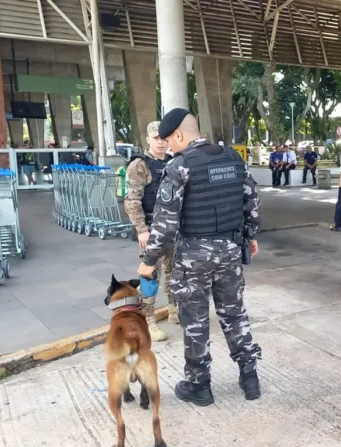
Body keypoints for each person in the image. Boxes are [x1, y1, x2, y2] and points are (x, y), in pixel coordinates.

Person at [137, 108, 263, 405]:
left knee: (194, 320)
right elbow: (253, 201)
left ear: (178, 135)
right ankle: (250, 376)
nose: (168, 147)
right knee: (234, 313)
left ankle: (199, 386)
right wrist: (250, 235)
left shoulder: (180, 166)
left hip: (193, 255)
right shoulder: (233, 158)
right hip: (230, 250)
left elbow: (165, 222)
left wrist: (149, 259)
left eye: (169, 141)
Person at [123, 121, 177, 342]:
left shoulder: (174, 163)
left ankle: (174, 310)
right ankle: (148, 319)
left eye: (164, 138)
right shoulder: (139, 166)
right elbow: (132, 200)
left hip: (174, 228)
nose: (161, 142)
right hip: (151, 229)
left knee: (176, 271)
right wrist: (142, 230)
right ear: (148, 139)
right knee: (149, 275)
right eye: (156, 138)